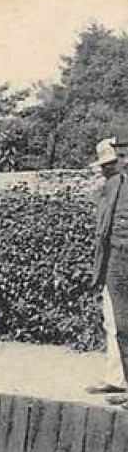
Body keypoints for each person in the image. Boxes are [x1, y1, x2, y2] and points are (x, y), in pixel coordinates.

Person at [87, 137, 128, 406]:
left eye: (112, 163)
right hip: (114, 260)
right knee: (114, 322)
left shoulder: (117, 185)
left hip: (121, 259)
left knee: (122, 323)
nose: (109, 168)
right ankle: (118, 378)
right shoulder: (114, 186)